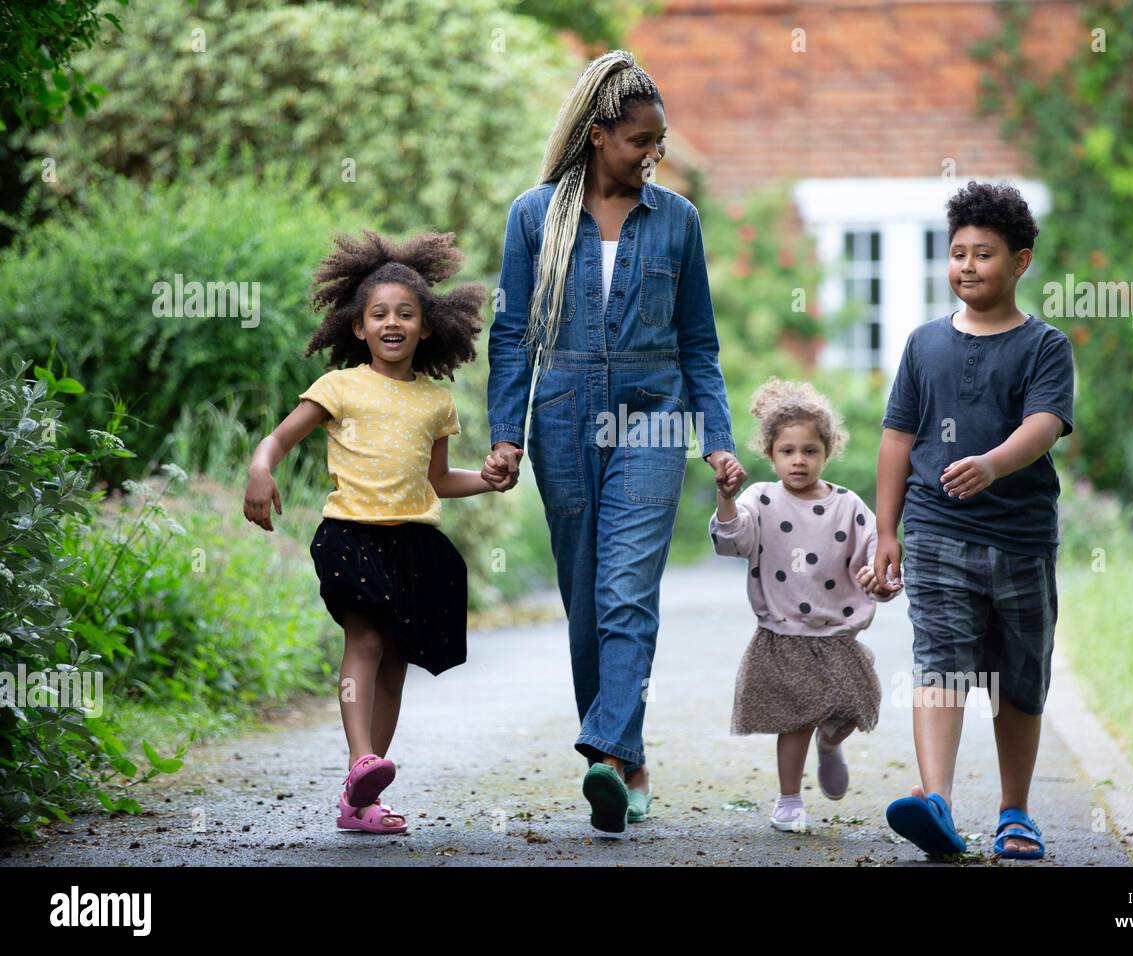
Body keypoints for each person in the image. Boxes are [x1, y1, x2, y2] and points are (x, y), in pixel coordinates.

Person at [481, 50, 746, 834]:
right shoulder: (534, 216)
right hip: (561, 411)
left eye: (659, 142)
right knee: (585, 596)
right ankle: (626, 761)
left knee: (627, 588)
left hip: (653, 411)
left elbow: (699, 341)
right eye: (641, 142)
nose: (653, 156)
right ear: (599, 135)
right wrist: (505, 434)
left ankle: (602, 750)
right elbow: (509, 334)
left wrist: (716, 437)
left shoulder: (679, 222)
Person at [243, 228, 503, 834]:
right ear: (357, 327)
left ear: (427, 326)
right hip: (349, 534)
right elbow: (278, 440)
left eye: (405, 314)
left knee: (395, 661)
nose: (392, 323)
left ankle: (363, 791)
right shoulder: (339, 386)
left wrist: (487, 480)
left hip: (414, 541)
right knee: (363, 640)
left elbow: (437, 480)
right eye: (379, 314)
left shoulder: (437, 403)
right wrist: (260, 470)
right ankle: (361, 758)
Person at [862, 181, 1075, 860]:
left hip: (1019, 540)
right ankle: (938, 805)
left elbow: (1044, 425)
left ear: (1021, 261)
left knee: (1020, 676)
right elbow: (897, 437)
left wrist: (993, 463)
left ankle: (1016, 812)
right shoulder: (924, 345)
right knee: (940, 664)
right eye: (957, 253)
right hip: (935, 533)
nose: (968, 266)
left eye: (984, 253)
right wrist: (887, 530)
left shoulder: (1045, 346)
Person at [709, 378, 888, 832]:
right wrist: (726, 498)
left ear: (828, 451)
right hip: (785, 632)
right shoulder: (761, 500)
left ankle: (830, 744)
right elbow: (733, 541)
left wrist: (879, 576)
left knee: (858, 705)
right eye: (787, 451)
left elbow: (875, 550)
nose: (799, 460)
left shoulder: (848, 504)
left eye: (810, 450)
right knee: (795, 721)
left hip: (837, 632)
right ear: (770, 454)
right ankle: (789, 800)